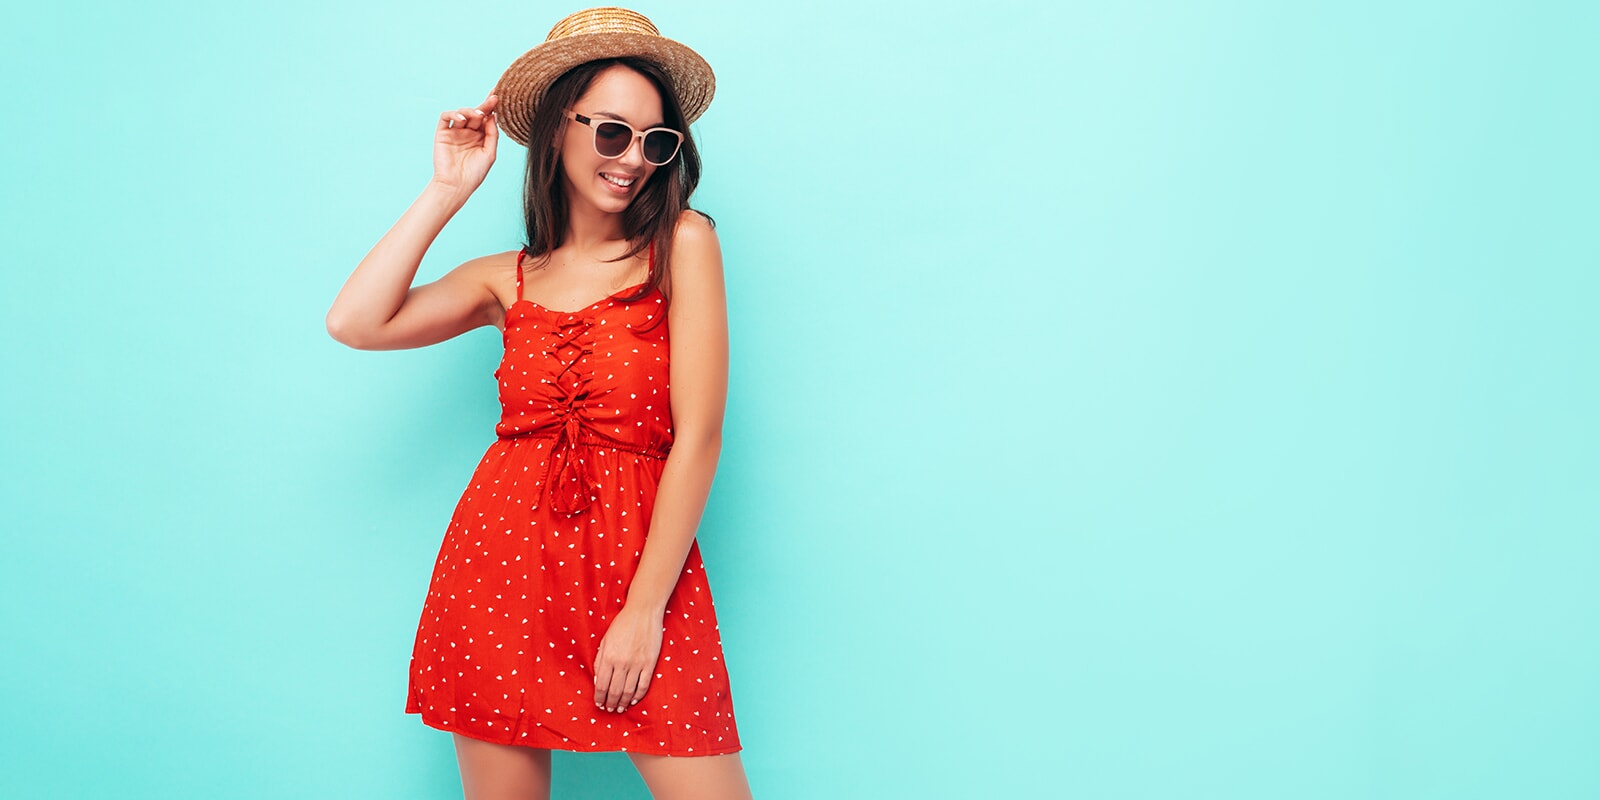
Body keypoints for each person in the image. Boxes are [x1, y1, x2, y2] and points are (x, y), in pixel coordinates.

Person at [324, 8, 752, 799]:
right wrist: (448, 188)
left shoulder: (683, 243)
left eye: (657, 142)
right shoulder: (504, 279)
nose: (633, 160)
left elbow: (699, 437)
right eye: (612, 133)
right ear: (558, 127)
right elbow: (355, 321)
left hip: (638, 573)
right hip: (498, 575)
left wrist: (644, 611)